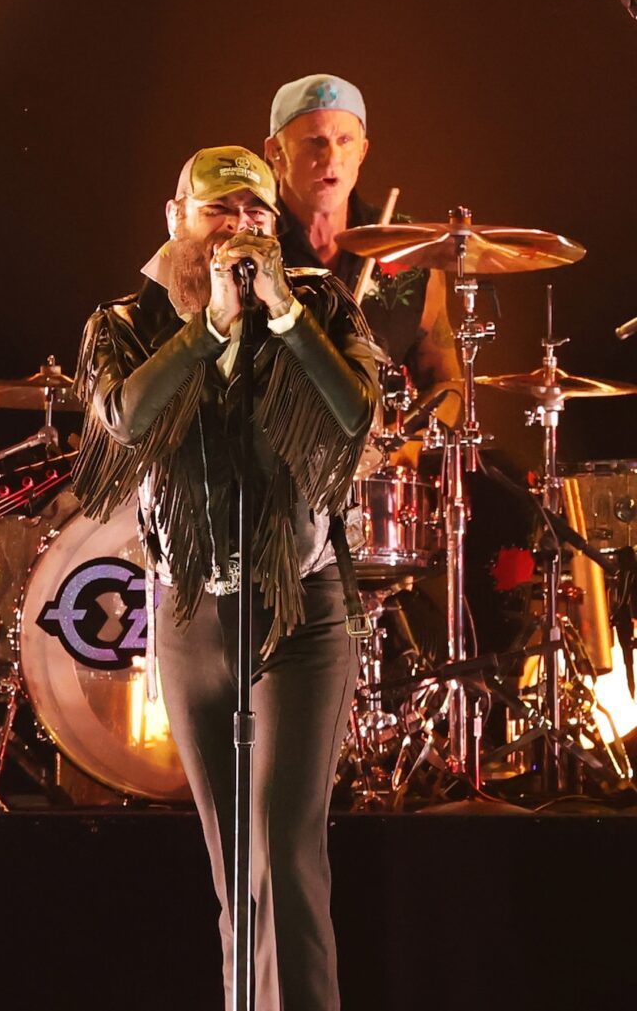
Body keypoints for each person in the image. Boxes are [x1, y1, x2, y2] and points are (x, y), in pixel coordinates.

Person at [72, 147, 379, 1010]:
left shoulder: (314, 302)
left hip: (300, 609)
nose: (242, 229)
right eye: (221, 212)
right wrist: (206, 326)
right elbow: (125, 418)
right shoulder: (125, 320)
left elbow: (357, 412)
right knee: (234, 865)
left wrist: (282, 318)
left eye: (257, 214)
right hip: (194, 611)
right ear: (177, 219)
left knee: (286, 850)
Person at [265, 72, 463, 456]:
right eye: (314, 142)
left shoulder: (407, 247)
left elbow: (448, 382)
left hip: (381, 485)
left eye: (344, 141)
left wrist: (408, 445)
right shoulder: (251, 244)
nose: (332, 158)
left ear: (363, 151)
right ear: (275, 152)